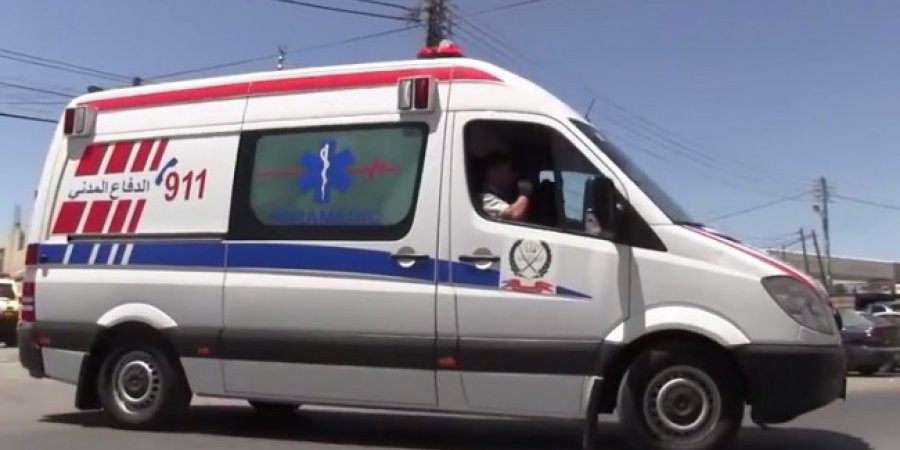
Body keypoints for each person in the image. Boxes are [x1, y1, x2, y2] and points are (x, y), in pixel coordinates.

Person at [480, 153, 532, 221]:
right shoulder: (486, 197)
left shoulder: (506, 193)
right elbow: (514, 215)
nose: (513, 176)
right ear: (495, 172)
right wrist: (524, 194)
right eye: (509, 172)